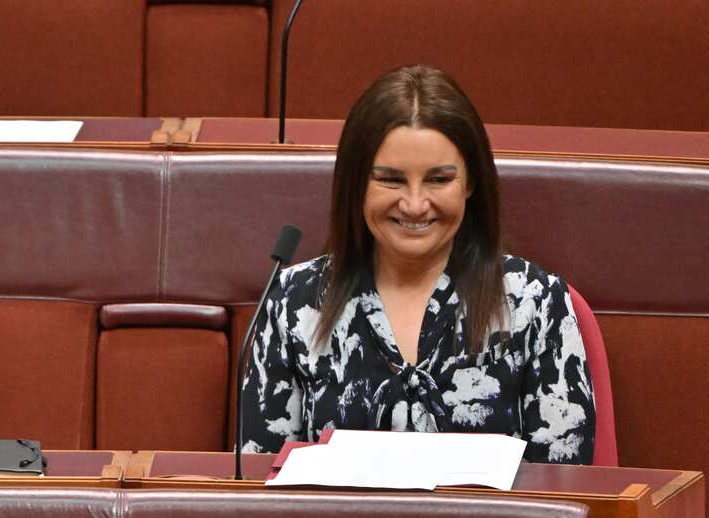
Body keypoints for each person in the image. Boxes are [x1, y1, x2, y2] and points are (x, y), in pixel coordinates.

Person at [241, 64, 595, 463]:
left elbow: (567, 491)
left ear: (471, 183)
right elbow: (259, 485)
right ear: (356, 183)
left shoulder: (536, 302)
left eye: (439, 180)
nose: (413, 204)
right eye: (390, 180)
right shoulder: (292, 301)